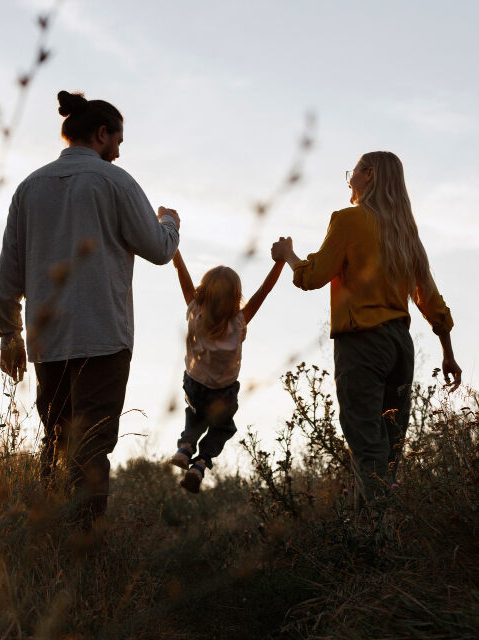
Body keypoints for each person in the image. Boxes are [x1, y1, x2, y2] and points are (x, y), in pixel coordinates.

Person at [0, 90, 181, 529]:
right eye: (117, 141)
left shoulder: (29, 189)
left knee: (56, 442)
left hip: (47, 341)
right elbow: (158, 249)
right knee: (91, 446)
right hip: (103, 337)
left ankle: (49, 541)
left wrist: (8, 334)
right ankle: (83, 549)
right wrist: (169, 222)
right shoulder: (115, 182)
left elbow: (9, 270)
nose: (117, 152)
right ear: (101, 134)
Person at [271, 151, 462, 510]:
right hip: (400, 348)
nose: (350, 178)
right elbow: (430, 299)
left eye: (353, 171)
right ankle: (368, 546)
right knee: (388, 451)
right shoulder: (406, 233)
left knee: (368, 448)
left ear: (369, 174)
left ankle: (379, 539)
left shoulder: (348, 220)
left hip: (362, 345)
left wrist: (288, 255)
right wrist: (448, 352)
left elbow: (311, 277)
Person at [168, 249, 284, 493]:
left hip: (194, 384)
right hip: (224, 393)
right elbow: (264, 291)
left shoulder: (194, 311)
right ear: (235, 297)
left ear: (204, 293)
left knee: (195, 413)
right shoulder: (239, 322)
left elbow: (183, 275)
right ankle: (200, 463)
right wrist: (280, 262)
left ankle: (186, 447)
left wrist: (176, 250)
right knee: (223, 428)